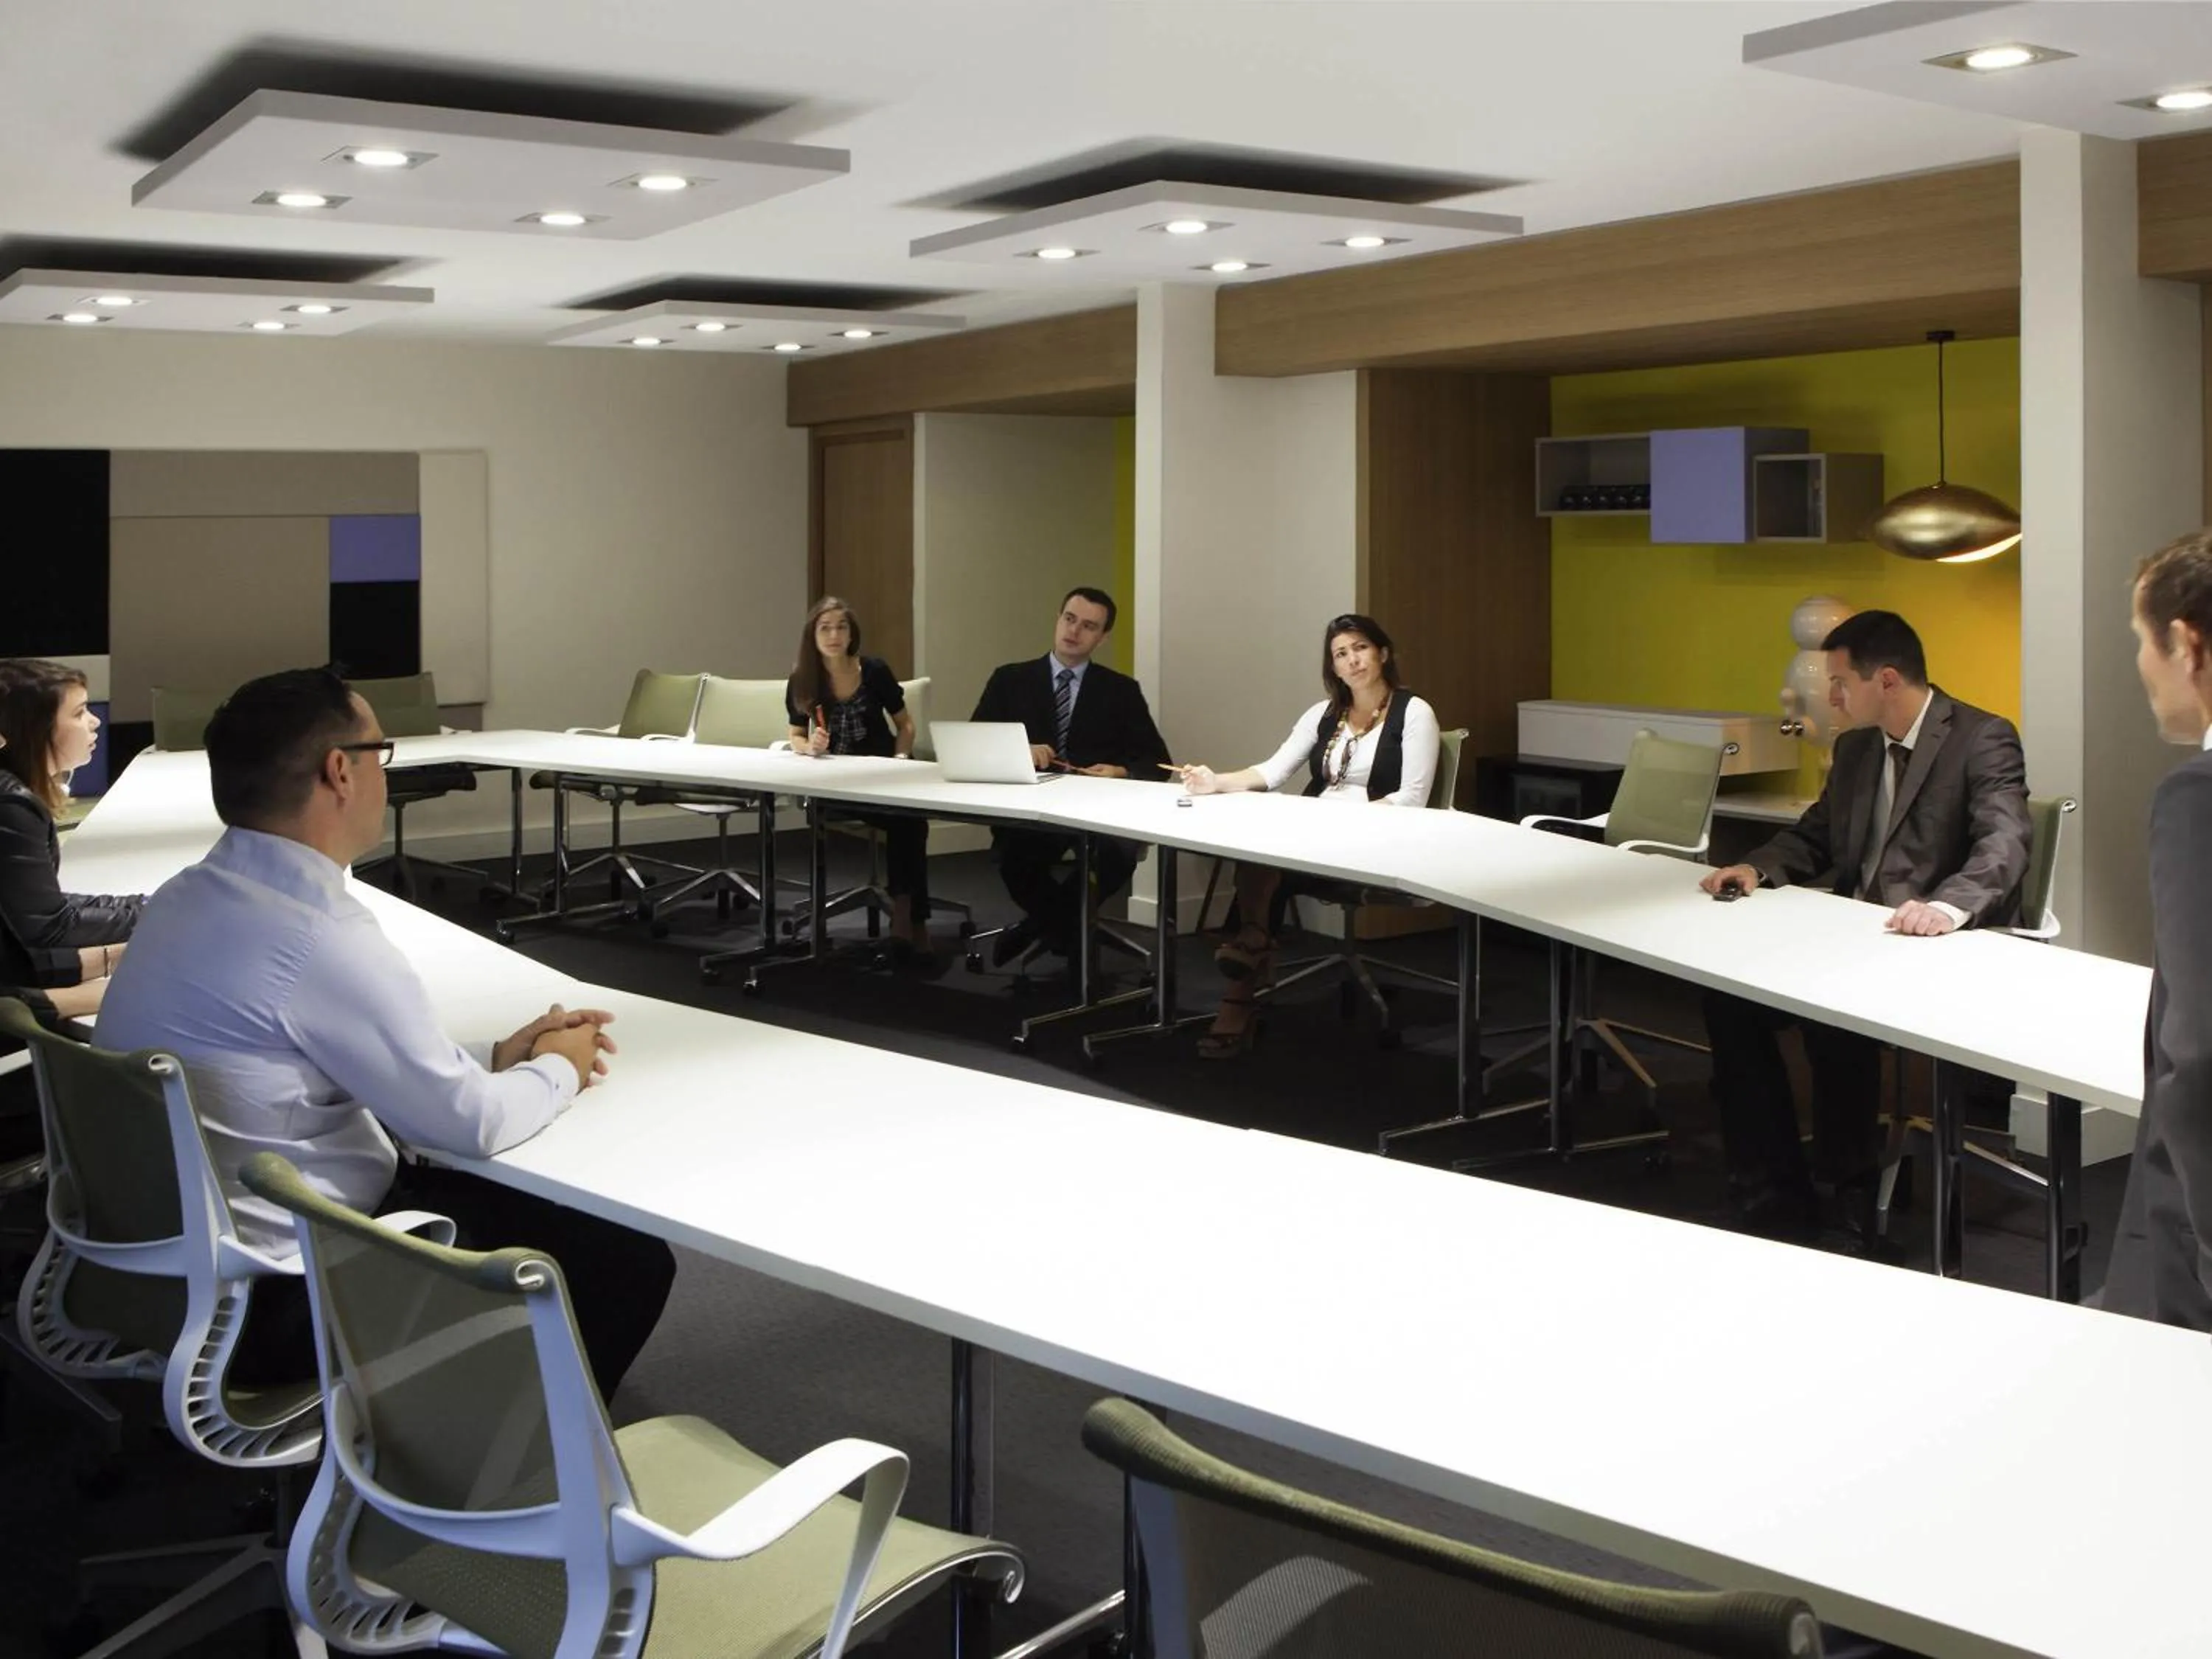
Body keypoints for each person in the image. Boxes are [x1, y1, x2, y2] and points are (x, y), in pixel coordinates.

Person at [96, 667, 674, 1399]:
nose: (385, 773)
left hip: (158, 1267)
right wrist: (561, 1064)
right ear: (341, 770)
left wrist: (491, 1057)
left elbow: (305, 1057)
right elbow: (470, 1125)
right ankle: (504, 1456)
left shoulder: (186, 895)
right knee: (627, 1261)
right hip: (275, 1301)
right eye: (382, 753)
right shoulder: (317, 936)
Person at [1697, 611, 2031, 1242]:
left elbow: (2005, 841)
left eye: (1840, 683)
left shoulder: (1982, 738)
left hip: (1929, 943)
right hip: (1852, 937)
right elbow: (1816, 836)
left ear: (1886, 680)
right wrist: (1756, 867)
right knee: (1730, 998)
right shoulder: (1855, 748)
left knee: (1834, 1015)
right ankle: (1771, 1188)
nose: (1831, 698)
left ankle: (1848, 1189)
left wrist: (1946, 907)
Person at [1174, 614, 1440, 1058]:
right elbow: (1273, 771)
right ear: (1333, 667)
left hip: (1378, 840)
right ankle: (1253, 942)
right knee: (1259, 847)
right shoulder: (1324, 714)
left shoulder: (1414, 712)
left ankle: (1243, 977)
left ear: (1383, 653)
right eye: (1341, 654)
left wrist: (1337, 823)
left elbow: (1412, 798)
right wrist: (1214, 780)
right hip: (1312, 837)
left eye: (1360, 648)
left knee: (1269, 859)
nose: (1352, 660)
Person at [2103, 529, 2212, 1327]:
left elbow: (2201, 1051)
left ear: (2187, 643)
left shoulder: (2196, 801)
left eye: (2142, 640)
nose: (2141, 663)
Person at [971, 587, 1170, 962]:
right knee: (1015, 858)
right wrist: (1019, 749)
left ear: (1102, 637)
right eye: (1069, 619)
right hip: (1031, 807)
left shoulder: (1121, 690)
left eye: (1089, 626)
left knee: (1117, 854)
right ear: (1058, 619)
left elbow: (1157, 761)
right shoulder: (1010, 679)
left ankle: (1038, 926)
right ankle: (1065, 928)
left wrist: (1120, 771)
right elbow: (975, 742)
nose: (1074, 631)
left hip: (1098, 812)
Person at [785, 596, 937, 965]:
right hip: (833, 784)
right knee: (906, 823)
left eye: (842, 627)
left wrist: (901, 760)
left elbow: (906, 725)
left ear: (852, 634)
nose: (834, 635)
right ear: (812, 636)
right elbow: (795, 735)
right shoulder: (803, 679)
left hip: (881, 776)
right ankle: (914, 921)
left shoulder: (874, 671)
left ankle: (906, 917)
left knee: (909, 821)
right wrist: (810, 747)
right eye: (825, 628)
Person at [0, 658, 142, 1020]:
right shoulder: (11, 805)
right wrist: (158, 911)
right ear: (34, 728)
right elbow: (49, 926)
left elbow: (37, 914)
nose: (95, 721)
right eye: (79, 713)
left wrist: (148, 908)